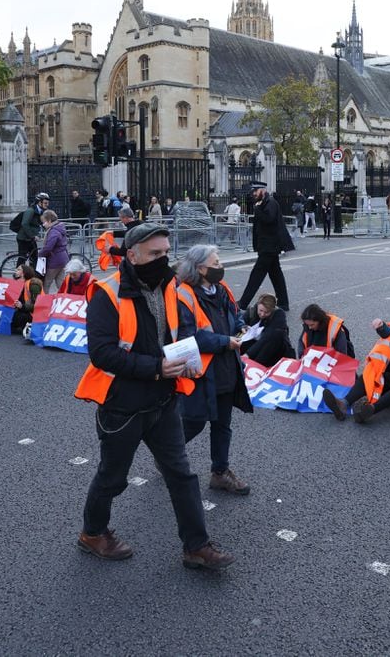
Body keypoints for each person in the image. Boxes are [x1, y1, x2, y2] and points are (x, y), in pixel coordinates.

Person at [75, 223, 234, 570]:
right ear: (132, 255)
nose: (163, 260)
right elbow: (102, 353)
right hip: (123, 405)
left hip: (163, 400)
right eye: (154, 254)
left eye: (166, 253)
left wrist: (186, 362)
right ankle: (92, 533)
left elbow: (173, 334)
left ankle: (196, 546)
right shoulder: (107, 292)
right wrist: (158, 367)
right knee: (112, 477)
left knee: (182, 475)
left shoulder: (171, 286)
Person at [175, 244, 252, 495]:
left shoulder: (221, 289)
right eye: (216, 264)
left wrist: (241, 328)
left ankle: (220, 472)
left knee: (223, 424)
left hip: (227, 367)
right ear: (199, 268)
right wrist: (224, 341)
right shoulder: (183, 295)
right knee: (195, 422)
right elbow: (188, 336)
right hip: (201, 373)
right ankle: (167, 455)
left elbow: (235, 315)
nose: (221, 267)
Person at [237, 182, 292, 311]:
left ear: (263, 190)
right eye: (253, 191)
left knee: (256, 275)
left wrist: (257, 209)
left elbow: (269, 219)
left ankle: (243, 303)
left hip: (270, 246)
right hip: (267, 246)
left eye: (256, 191)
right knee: (276, 275)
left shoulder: (270, 202)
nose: (254, 193)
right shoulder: (263, 203)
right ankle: (283, 303)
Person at [239, 293, 296, 368]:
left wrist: (248, 354)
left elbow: (266, 338)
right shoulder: (252, 310)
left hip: (273, 348)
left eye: (266, 312)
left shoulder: (279, 315)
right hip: (256, 344)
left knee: (274, 336)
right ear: (258, 305)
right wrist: (242, 327)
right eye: (261, 310)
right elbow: (240, 321)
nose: (262, 314)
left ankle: (255, 366)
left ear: (272, 310)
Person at [39, 209, 70, 293]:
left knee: (46, 283)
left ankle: (44, 302)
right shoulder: (59, 227)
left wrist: (40, 254)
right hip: (62, 259)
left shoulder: (53, 231)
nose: (43, 224)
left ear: (49, 221)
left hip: (54, 260)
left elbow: (48, 247)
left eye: (44, 221)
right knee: (60, 283)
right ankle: (66, 298)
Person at [16, 192, 49, 266]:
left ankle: (32, 274)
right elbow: (24, 224)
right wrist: (33, 236)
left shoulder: (40, 211)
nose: (47, 204)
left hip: (30, 238)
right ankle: (16, 275)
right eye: (45, 203)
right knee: (22, 259)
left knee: (34, 258)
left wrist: (51, 230)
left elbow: (42, 223)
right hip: (23, 238)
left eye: (47, 203)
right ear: (39, 202)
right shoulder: (30, 211)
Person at [10, 263, 44, 336]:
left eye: (18, 269)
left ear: (24, 273)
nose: (16, 271)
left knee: (19, 316)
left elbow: (38, 304)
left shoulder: (33, 284)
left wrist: (22, 306)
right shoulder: (17, 283)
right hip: (23, 310)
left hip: (33, 313)